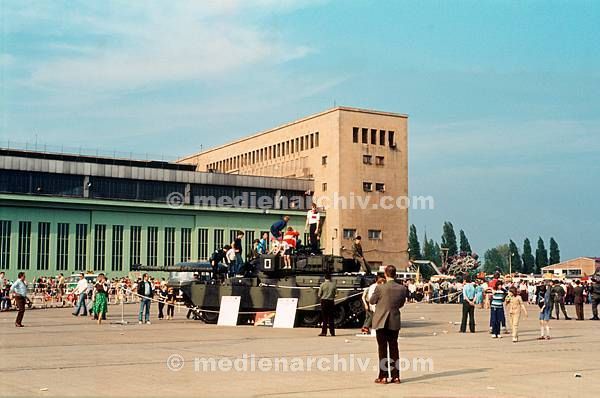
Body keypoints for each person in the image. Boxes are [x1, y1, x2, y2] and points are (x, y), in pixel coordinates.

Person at [369, 265, 408, 385]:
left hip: (381, 321)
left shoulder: (380, 288)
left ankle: (383, 376)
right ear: (395, 274)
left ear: (385, 274)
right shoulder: (402, 288)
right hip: (394, 320)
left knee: (382, 349)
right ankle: (396, 376)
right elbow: (401, 303)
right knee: (394, 349)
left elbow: (372, 301)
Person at [318, 273, 337, 337]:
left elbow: (319, 294)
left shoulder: (322, 285)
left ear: (325, 278)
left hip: (324, 301)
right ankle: (332, 332)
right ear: (330, 278)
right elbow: (335, 294)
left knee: (324, 318)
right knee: (331, 318)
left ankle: (324, 332)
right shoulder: (333, 285)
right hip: (331, 301)